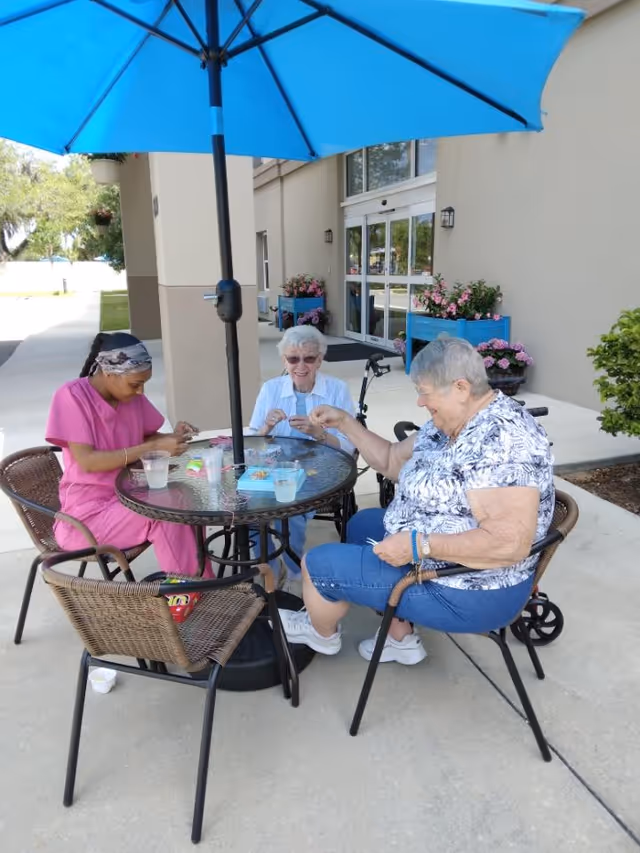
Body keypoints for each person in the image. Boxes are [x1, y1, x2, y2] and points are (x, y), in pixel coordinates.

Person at [277, 336, 555, 664]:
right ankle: (400, 638)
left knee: (317, 564)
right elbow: (392, 461)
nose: (421, 403)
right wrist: (345, 424)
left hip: (471, 589)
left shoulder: (502, 441)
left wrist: (418, 546)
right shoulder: (453, 421)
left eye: (425, 392)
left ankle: (319, 632)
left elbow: (508, 544)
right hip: (442, 555)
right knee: (361, 524)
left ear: (461, 387)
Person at [45, 331, 206, 576]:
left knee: (186, 496)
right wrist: (154, 447)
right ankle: (189, 593)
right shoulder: (71, 397)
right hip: (87, 519)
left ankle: (203, 584)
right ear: (109, 373)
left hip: (129, 497)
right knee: (165, 512)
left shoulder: (130, 397)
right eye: (135, 384)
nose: (141, 392)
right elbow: (88, 461)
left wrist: (171, 438)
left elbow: (145, 438)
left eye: (144, 383)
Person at [247, 325, 355, 580]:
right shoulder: (271, 389)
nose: (301, 366)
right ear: (284, 360)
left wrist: (318, 434)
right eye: (293, 359)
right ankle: (272, 572)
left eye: (309, 358)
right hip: (274, 467)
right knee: (248, 515)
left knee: (292, 510)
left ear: (320, 359)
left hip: (320, 468)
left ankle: (292, 568)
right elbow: (252, 440)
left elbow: (350, 445)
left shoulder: (336, 389)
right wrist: (267, 426)